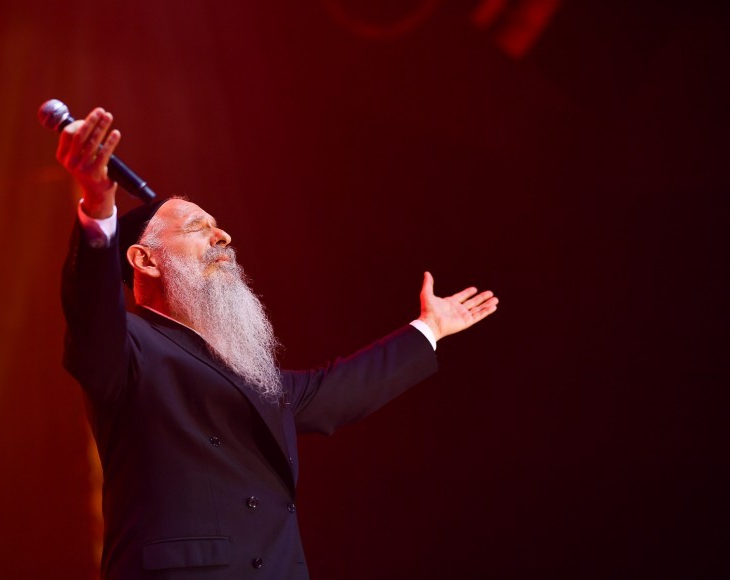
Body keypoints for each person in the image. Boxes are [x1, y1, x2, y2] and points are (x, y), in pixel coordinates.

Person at [55, 107, 499, 580]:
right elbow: (91, 311)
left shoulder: (250, 376)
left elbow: (337, 392)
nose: (223, 236)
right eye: (198, 228)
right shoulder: (130, 349)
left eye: (217, 225)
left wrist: (429, 328)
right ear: (146, 260)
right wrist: (98, 207)